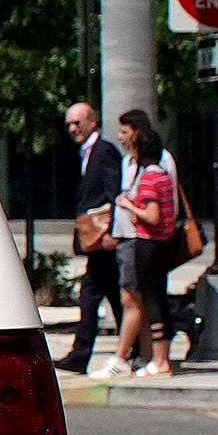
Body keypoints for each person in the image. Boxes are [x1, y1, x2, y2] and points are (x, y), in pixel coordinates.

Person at [110, 111, 187, 380]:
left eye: (125, 132)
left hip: (147, 241)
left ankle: (154, 358)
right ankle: (152, 356)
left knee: (149, 299)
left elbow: (155, 214)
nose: (121, 138)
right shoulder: (136, 166)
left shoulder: (154, 174)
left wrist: (131, 205)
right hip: (146, 240)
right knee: (151, 300)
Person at [59, 100, 127, 374]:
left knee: (91, 294)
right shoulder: (86, 153)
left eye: (78, 122)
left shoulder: (104, 152)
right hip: (97, 242)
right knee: (112, 295)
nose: (73, 129)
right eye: (69, 125)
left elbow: (113, 194)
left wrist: (112, 233)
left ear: (92, 121)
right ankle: (134, 346)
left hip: (104, 241)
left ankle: (81, 354)